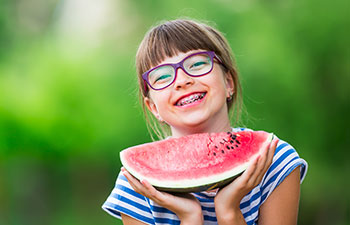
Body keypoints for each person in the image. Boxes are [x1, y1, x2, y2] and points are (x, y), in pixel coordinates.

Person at [102, 19, 308, 225]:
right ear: (154, 108)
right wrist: (190, 218)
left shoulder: (274, 161)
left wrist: (229, 211)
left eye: (198, 64)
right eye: (162, 76)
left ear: (229, 83)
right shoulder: (137, 185)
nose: (182, 81)